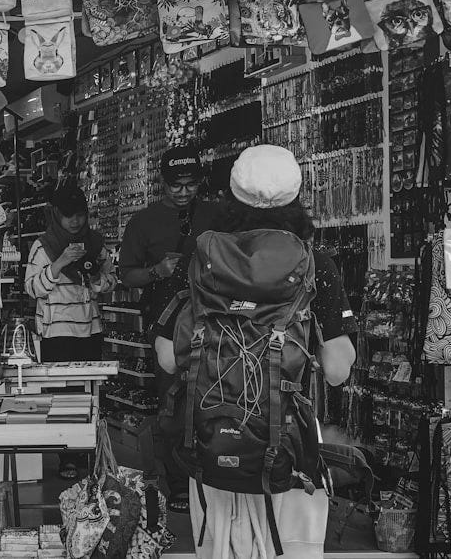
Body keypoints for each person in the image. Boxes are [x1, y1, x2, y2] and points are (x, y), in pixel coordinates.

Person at [152, 145, 357, 559]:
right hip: (292, 452)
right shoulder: (317, 265)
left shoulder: (199, 260)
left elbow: (167, 358)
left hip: (211, 446)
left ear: (231, 196)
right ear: (297, 198)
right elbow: (336, 369)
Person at [119, 146, 227, 512]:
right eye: (175, 185)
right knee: (171, 401)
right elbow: (126, 273)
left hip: (215, 320)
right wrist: (156, 272)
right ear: (162, 182)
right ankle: (178, 481)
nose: (183, 192)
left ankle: (216, 472)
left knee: (217, 396)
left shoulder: (216, 214)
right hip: (166, 324)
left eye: (190, 184)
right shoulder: (144, 222)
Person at [25, 183, 116, 479]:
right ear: (56, 215)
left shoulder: (95, 243)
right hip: (56, 333)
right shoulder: (44, 246)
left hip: (89, 329)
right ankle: (66, 455)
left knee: (90, 396)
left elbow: (110, 282)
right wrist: (61, 262)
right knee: (62, 398)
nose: (75, 222)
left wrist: (96, 279)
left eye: (79, 215)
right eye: (68, 216)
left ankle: (90, 452)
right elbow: (32, 288)